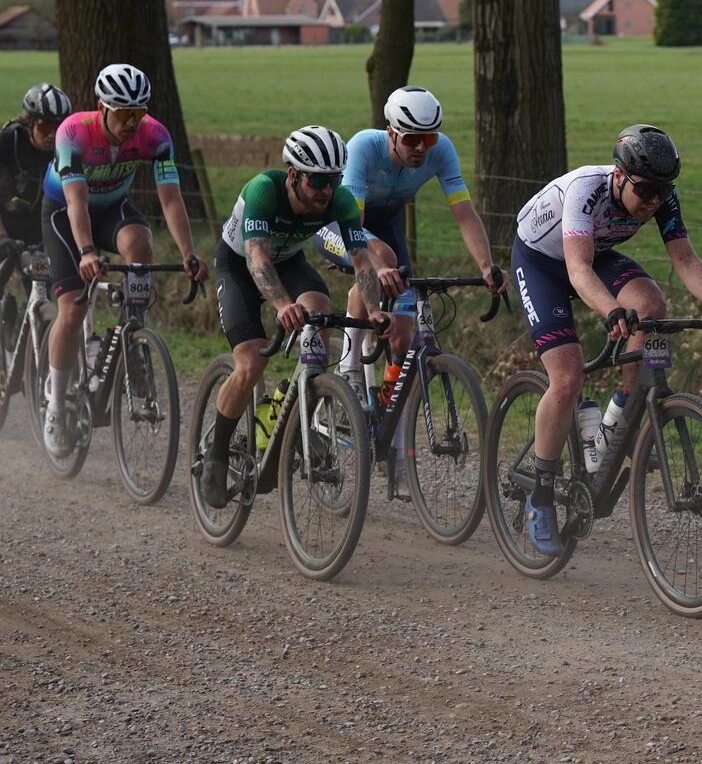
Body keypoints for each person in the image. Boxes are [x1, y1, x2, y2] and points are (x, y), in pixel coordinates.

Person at [511, 123, 702, 555]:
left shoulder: (658, 194)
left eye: (663, 191)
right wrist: (611, 311)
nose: (653, 202)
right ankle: (541, 495)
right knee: (566, 378)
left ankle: (616, 420)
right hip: (543, 262)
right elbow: (577, 270)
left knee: (652, 308)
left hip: (595, 255)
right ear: (619, 176)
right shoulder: (586, 191)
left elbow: (684, 257)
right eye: (645, 191)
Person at [201, 125, 390, 509]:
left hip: (289, 262)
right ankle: (217, 456)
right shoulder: (264, 190)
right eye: (318, 180)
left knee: (319, 317)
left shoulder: (339, 202)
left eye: (333, 180)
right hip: (238, 265)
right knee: (251, 363)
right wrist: (282, 305)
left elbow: (361, 261)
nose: (326, 189)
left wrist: (373, 310)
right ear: (293, 174)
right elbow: (255, 257)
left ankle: (291, 409)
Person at [40, 64, 206, 458]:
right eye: (124, 112)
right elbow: (76, 201)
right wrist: (86, 251)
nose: (133, 122)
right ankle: (56, 402)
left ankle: (133, 335)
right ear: (102, 107)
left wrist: (188, 253)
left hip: (113, 206)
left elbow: (170, 198)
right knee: (72, 307)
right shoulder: (74, 133)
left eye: (139, 112)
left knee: (139, 244)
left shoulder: (156, 136)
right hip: (64, 211)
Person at [315, 85, 505, 392]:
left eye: (428, 138)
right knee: (382, 260)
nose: (421, 148)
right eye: (412, 139)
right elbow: (354, 229)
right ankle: (348, 369)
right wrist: (377, 267)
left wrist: (486, 267)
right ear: (391, 133)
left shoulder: (441, 150)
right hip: (340, 226)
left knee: (402, 336)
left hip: (387, 228)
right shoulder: (364, 147)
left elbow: (465, 214)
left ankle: (393, 431)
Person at [0, 84, 71, 253]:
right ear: (29, 123)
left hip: (44, 229)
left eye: (58, 128)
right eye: (45, 128)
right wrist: (2, 237)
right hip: (7, 226)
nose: (52, 135)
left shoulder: (69, 147)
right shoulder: (8, 141)